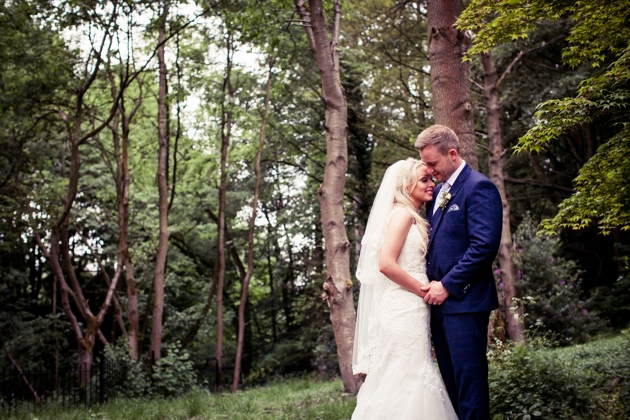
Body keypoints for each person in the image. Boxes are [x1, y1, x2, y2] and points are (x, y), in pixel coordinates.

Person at [352, 158, 458, 420]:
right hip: (403, 307)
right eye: (424, 179)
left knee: (408, 373)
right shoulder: (402, 215)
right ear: (404, 184)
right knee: (406, 375)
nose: (431, 183)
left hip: (408, 307)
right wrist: (424, 290)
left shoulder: (410, 215)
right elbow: (386, 264)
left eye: (431, 179)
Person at [416, 125, 502, 420]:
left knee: (471, 387)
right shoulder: (438, 190)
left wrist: (448, 286)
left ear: (452, 154)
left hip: (464, 303)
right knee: (452, 387)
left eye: (432, 163)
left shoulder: (479, 187)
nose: (428, 170)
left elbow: (483, 247)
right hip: (438, 307)